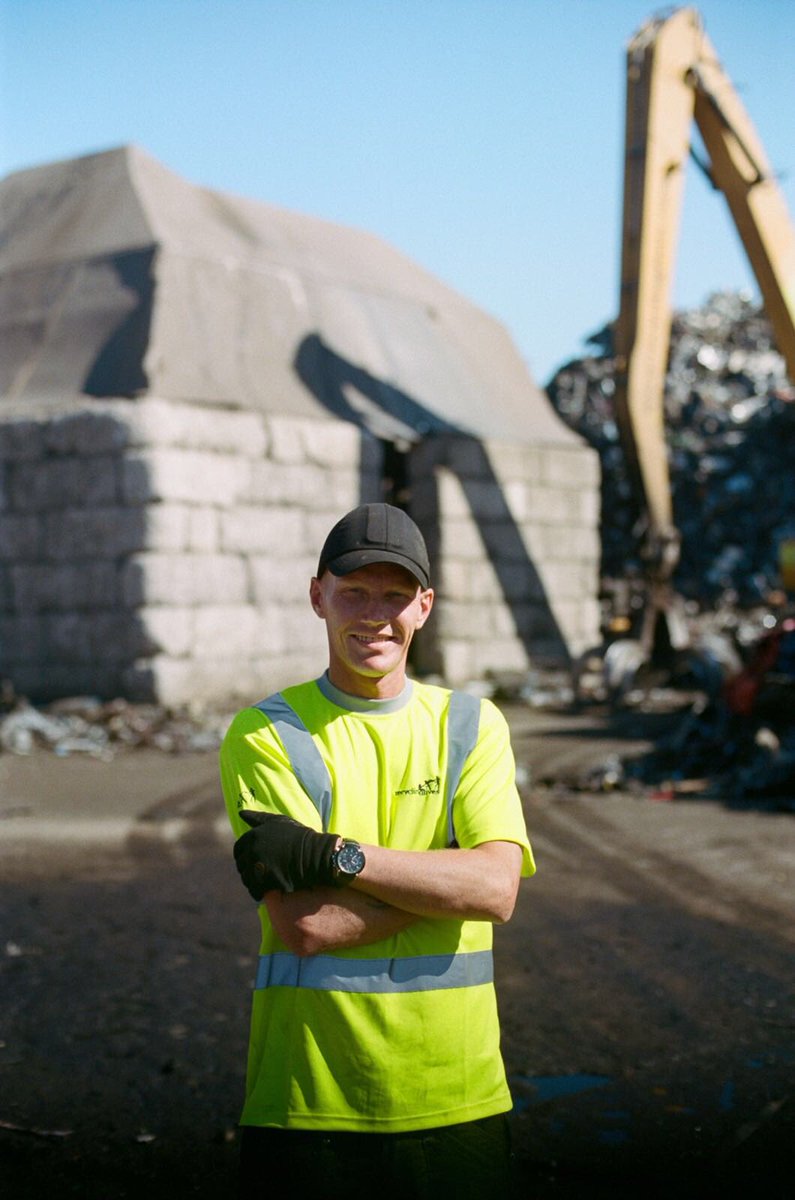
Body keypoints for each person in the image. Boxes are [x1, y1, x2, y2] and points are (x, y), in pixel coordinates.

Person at [219, 502, 535, 1199]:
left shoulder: (471, 726)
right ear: (317, 596)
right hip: (308, 1098)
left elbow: (496, 891)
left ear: (424, 607)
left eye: (395, 595)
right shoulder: (268, 733)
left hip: (458, 1097)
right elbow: (306, 926)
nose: (374, 614)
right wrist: (447, 878)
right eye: (354, 591)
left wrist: (339, 857)